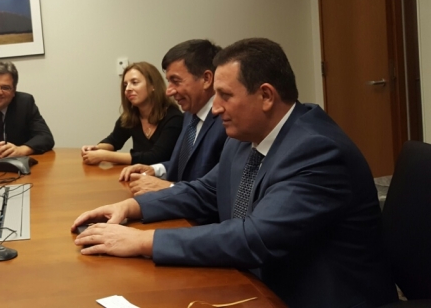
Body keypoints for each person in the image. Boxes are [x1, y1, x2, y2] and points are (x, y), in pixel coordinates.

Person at [72, 38, 397, 308]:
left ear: (266, 96)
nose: (215, 108)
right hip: (257, 284)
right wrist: (130, 208)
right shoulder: (245, 137)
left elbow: (255, 237)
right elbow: (205, 191)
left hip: (310, 297)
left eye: (225, 96)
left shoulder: (317, 151)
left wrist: (143, 241)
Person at [118, 41, 226, 195]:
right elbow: (185, 167)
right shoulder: (190, 115)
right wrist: (155, 170)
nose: (169, 91)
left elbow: (217, 189)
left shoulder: (227, 123)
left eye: (176, 81)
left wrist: (169, 187)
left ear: (206, 79)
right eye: (169, 82)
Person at [80, 62, 182, 166]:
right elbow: (114, 140)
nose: (127, 89)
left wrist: (105, 156)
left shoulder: (174, 118)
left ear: (153, 85)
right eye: (125, 85)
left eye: (134, 82)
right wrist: (96, 148)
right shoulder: (131, 115)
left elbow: (156, 157)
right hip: (137, 173)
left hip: (164, 175)